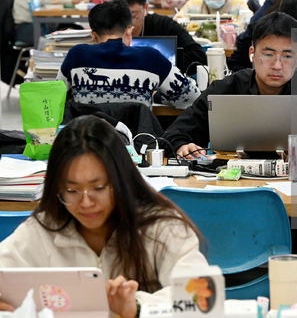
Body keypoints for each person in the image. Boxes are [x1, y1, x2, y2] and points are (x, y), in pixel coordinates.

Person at [163, 12, 297, 300]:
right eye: (268, 54)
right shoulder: (224, 90)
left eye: (288, 56)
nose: (278, 65)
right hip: (231, 198)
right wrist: (182, 146)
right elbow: (176, 133)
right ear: (252, 54)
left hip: (290, 202)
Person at [0, 115, 208, 317]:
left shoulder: (160, 225)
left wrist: (137, 308)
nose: (86, 203)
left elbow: (202, 296)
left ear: (121, 180)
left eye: (98, 188)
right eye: (71, 191)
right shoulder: (44, 228)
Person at [56, 0, 200, 109]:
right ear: (129, 32)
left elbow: (56, 98)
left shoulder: (77, 55)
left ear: (93, 36)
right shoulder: (151, 58)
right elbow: (193, 97)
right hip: (137, 145)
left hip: (87, 144)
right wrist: (156, 96)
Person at [110, 0, 207, 75]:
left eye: (134, 15)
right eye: (121, 15)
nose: (128, 23)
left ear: (146, 8)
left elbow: (199, 56)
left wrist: (163, 66)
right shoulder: (106, 29)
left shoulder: (164, 25)